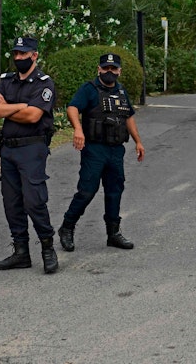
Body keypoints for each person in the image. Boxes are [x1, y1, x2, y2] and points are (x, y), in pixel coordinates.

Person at [58, 52, 145, 253]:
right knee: (87, 191)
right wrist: (78, 129)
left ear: (119, 71)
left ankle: (113, 234)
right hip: (95, 149)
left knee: (115, 191)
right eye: (105, 68)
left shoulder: (121, 92)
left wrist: (138, 142)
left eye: (113, 69)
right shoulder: (89, 89)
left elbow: (129, 117)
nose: (109, 72)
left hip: (116, 150)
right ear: (99, 69)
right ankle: (67, 227)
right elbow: (72, 108)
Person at [0, 35, 59, 274]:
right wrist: (21, 106)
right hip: (8, 148)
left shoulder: (44, 83)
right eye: (16, 54)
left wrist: (7, 108)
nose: (18, 58)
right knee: (12, 202)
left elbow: (33, 117)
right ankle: (21, 252)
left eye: (23, 54)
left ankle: (48, 248)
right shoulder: (6, 81)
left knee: (34, 200)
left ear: (34, 55)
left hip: (32, 148)